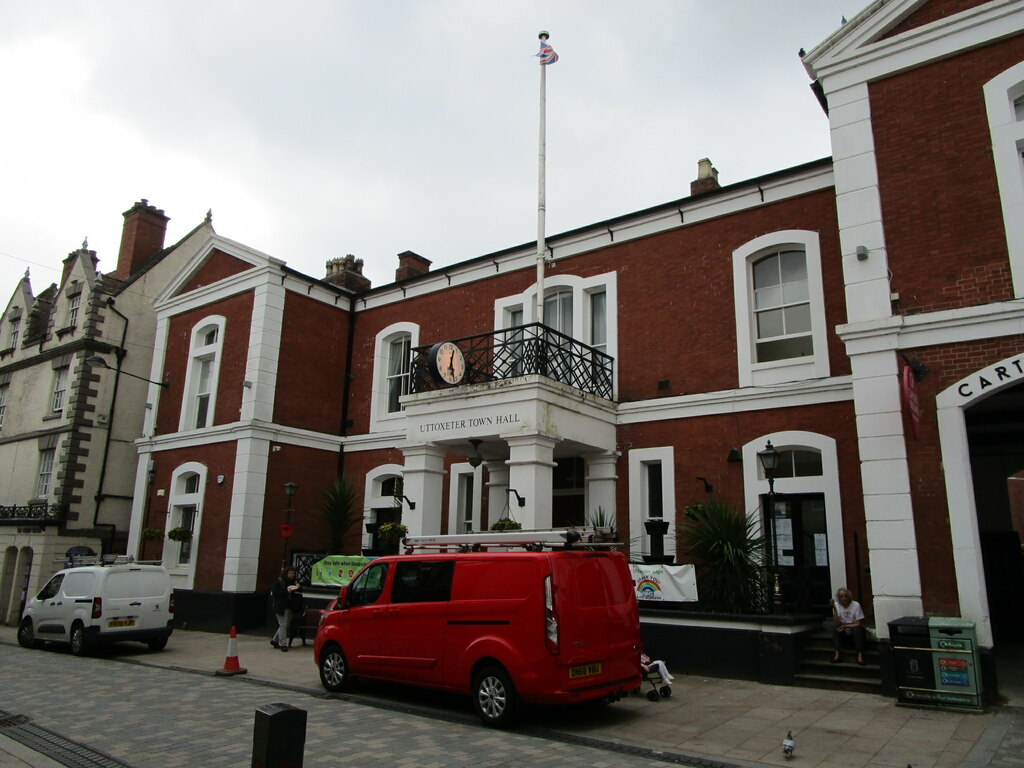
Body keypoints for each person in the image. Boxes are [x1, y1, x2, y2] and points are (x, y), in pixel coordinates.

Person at [830, 586, 866, 665]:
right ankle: (837, 654)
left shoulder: (856, 605)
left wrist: (846, 626)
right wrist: (834, 609)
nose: (844, 598)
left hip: (853, 626)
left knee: (858, 630)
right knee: (834, 627)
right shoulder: (837, 604)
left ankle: (860, 655)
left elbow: (858, 623)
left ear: (849, 597)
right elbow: (837, 621)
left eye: (846, 596)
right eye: (841, 597)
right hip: (842, 627)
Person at [271, 567, 300, 652]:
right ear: (286, 574)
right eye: (290, 573)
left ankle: (275, 640)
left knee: (285, 624)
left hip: (289, 606)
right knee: (283, 624)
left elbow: (299, 591)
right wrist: (286, 592)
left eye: (293, 573)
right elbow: (274, 592)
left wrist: (297, 587)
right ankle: (283, 644)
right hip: (280, 606)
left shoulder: (294, 582)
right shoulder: (280, 581)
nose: (292, 575)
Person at [287, 578, 307, 647]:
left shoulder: (298, 591)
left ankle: (276, 640)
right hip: (291, 608)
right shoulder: (287, 584)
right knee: (284, 625)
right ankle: (277, 640)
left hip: (296, 609)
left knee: (285, 625)